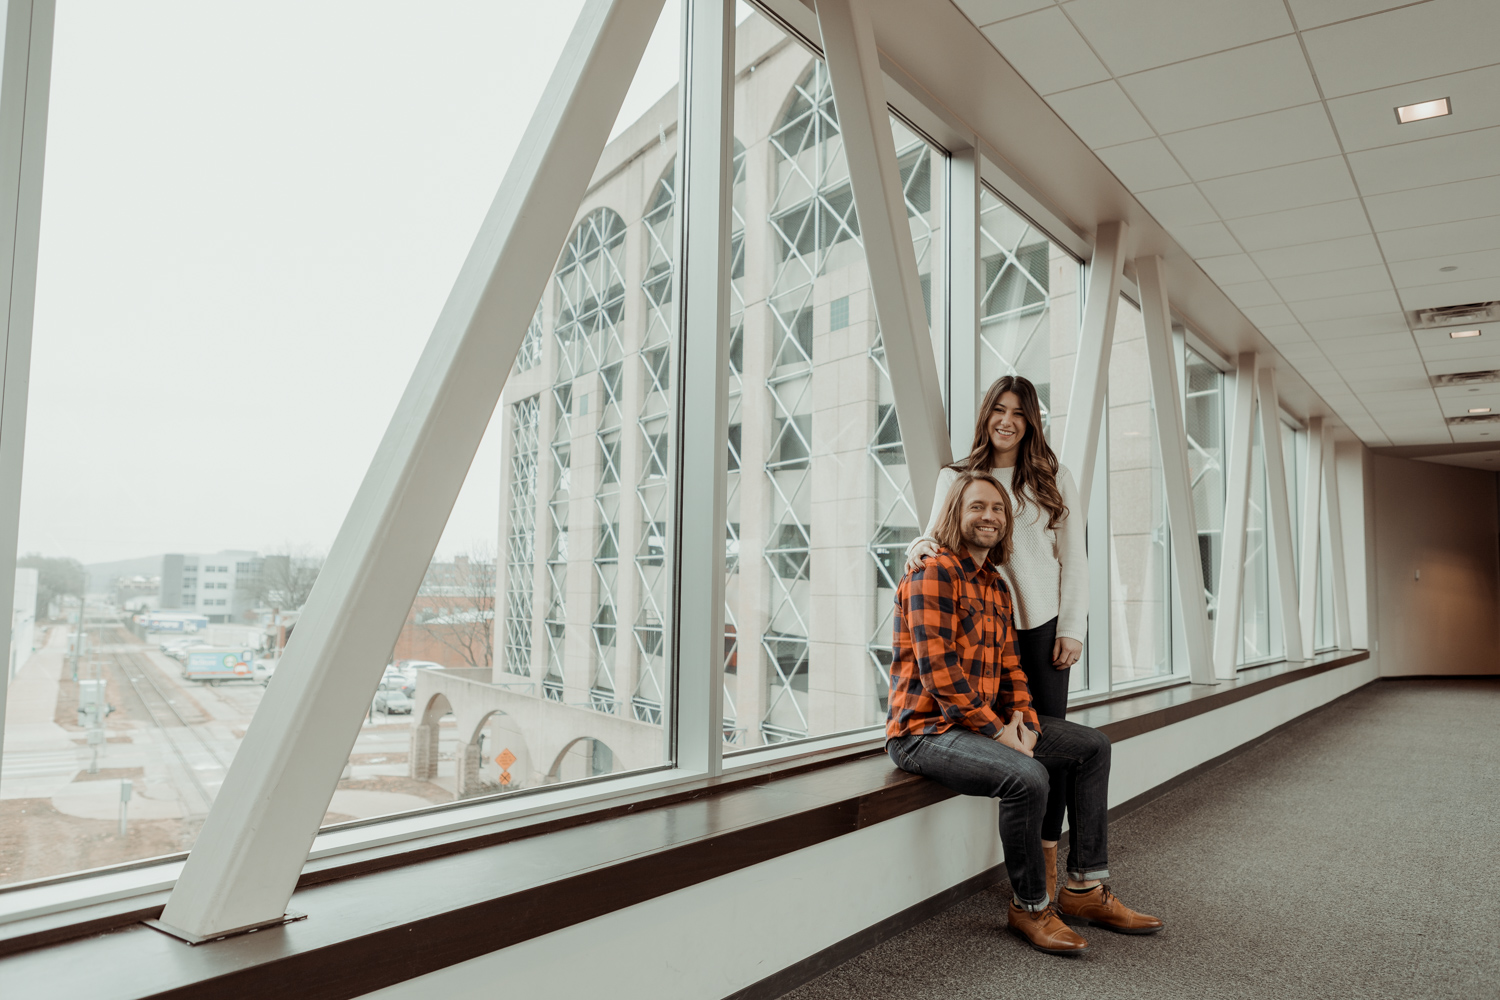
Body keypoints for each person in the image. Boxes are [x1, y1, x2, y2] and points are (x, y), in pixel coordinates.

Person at [886, 469, 1161, 955]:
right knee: (1027, 777)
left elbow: (1013, 670)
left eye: (997, 509)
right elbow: (941, 676)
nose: (988, 516)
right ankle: (1030, 906)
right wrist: (1000, 733)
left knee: (1091, 747)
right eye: (976, 507)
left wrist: (1026, 725)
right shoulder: (933, 574)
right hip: (923, 732)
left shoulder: (995, 586)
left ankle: (1084, 888)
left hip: (978, 727)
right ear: (955, 514)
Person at [905, 375, 1083, 899]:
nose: (1007, 421)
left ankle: (1049, 863)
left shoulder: (1053, 477)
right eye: (998, 410)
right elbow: (936, 532)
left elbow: (1074, 558)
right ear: (986, 415)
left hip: (1044, 627)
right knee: (1006, 740)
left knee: (1048, 745)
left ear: (1032, 421)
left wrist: (1072, 626)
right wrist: (917, 543)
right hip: (980, 625)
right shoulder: (957, 476)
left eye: (1019, 412)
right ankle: (1029, 879)